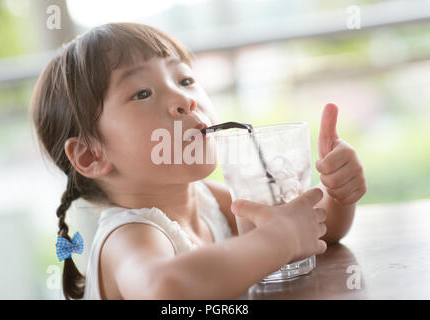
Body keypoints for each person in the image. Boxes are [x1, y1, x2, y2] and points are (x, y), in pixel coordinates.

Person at [30, 22, 366, 300]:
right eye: (142, 93)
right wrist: (279, 240)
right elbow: (167, 288)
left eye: (185, 80)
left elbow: (313, 233)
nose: (184, 99)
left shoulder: (207, 200)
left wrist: (336, 193)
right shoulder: (127, 235)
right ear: (91, 155)